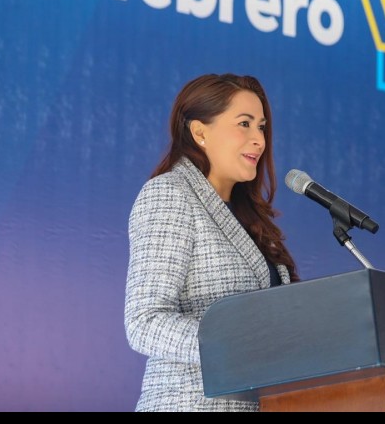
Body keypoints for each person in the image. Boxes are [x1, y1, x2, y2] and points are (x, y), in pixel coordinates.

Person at [124, 73, 300, 412]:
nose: (259, 140)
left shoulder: (247, 216)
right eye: (244, 124)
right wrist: (239, 348)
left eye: (261, 127)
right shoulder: (170, 194)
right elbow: (144, 322)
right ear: (200, 132)